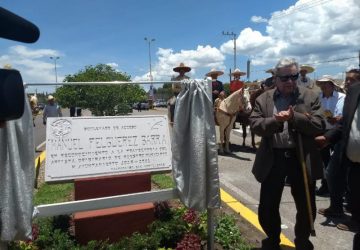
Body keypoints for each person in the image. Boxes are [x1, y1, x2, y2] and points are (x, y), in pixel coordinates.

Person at [250, 58, 325, 250]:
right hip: (273, 157)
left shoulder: (311, 96)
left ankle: (302, 240)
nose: (290, 81)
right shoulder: (263, 99)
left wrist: (295, 118)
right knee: (268, 205)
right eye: (285, 78)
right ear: (275, 78)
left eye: (294, 76)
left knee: (306, 204)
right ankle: (272, 239)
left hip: (300, 157)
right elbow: (256, 125)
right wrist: (275, 121)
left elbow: (319, 124)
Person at [315, 77, 360, 250]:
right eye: (348, 80)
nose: (349, 83)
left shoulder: (341, 97)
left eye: (353, 79)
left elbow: (341, 119)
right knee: (335, 173)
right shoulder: (353, 94)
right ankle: (338, 207)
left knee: (336, 173)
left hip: (340, 140)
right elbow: (345, 123)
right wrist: (326, 137)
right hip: (336, 138)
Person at [314, 76, 345, 197]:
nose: (323, 86)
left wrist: (337, 118)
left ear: (332, 85)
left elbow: (342, 113)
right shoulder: (318, 97)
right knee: (324, 160)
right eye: (321, 84)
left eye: (325, 84)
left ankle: (341, 189)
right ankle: (326, 185)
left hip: (338, 131)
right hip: (323, 131)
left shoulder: (341, 97)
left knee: (339, 161)